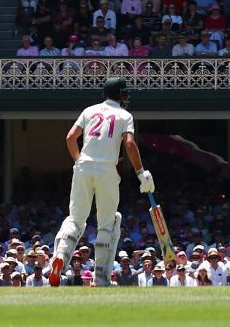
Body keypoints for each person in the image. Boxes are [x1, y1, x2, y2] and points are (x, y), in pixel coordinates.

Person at [48, 75, 153, 288]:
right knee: (108, 223)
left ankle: (60, 256)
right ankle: (101, 278)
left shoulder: (89, 110)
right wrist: (141, 172)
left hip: (83, 167)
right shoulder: (124, 115)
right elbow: (130, 145)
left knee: (76, 219)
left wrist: (79, 161)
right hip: (107, 170)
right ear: (122, 95)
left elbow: (70, 138)